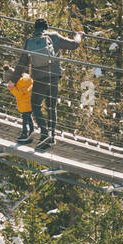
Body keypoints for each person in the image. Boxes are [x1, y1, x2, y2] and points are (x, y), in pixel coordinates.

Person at [10, 18, 82, 148]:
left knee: (35, 105)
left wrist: (13, 81)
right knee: (51, 107)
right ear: (46, 27)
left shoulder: (29, 41)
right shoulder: (54, 36)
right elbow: (74, 45)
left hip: (39, 78)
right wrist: (78, 35)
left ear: (35, 28)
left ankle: (44, 133)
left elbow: (21, 63)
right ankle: (51, 137)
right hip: (54, 77)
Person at [5, 65, 34, 144]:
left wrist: (12, 89)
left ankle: (24, 133)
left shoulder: (18, 84)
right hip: (31, 102)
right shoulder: (25, 77)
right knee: (29, 116)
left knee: (25, 119)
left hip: (24, 104)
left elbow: (19, 94)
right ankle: (31, 130)